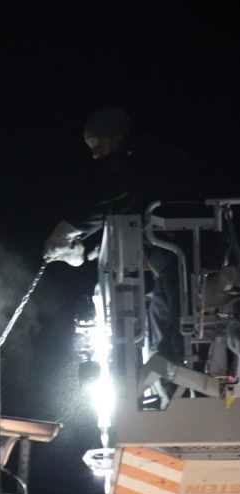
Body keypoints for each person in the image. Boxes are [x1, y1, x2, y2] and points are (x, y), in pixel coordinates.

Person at [43, 106, 183, 366]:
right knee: (162, 321)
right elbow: (116, 209)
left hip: (180, 251)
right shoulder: (131, 167)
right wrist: (88, 250)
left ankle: (176, 372)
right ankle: (166, 375)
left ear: (114, 137)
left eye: (96, 144)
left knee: (176, 323)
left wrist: (71, 229)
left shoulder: (138, 163)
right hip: (166, 259)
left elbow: (117, 200)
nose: (94, 153)